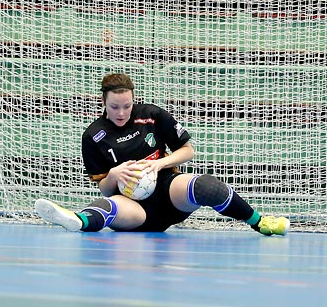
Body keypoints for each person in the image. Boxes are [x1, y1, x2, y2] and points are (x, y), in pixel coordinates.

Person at [34, 72, 289, 237]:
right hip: (133, 207)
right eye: (114, 107)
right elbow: (104, 187)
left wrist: (159, 164)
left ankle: (261, 222)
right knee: (109, 206)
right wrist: (113, 174)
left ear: (134, 100)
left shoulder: (153, 115)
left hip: (168, 191)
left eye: (127, 105)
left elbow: (188, 151)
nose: (122, 112)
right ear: (103, 102)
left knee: (207, 187)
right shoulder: (94, 135)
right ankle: (77, 219)